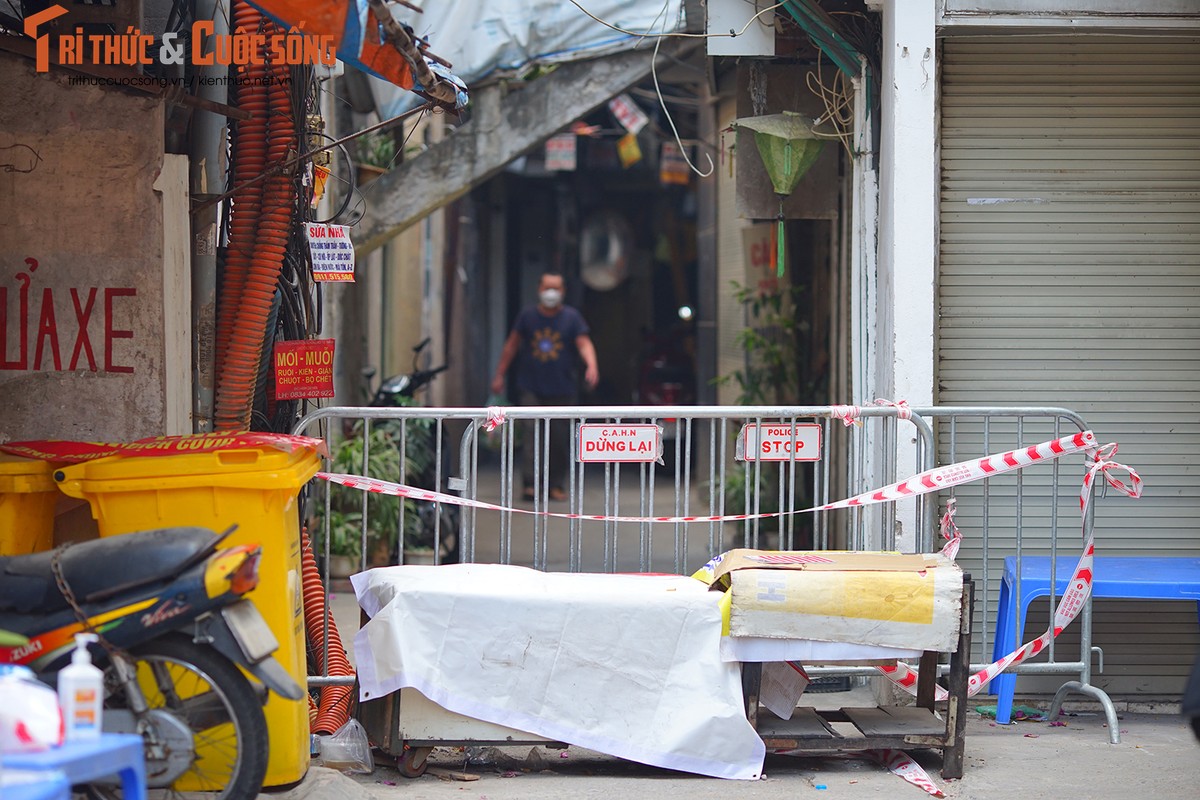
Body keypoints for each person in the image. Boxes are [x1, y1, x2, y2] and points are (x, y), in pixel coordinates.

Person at [490, 272, 599, 501]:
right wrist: (500, 374)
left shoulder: (572, 318)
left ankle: (555, 485)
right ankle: (530, 484)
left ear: (563, 292)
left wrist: (592, 365)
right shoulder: (527, 316)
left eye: (556, 288)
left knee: (559, 439)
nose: (552, 292)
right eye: (548, 287)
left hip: (562, 389)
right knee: (531, 435)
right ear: (539, 289)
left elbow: (584, 343)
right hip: (531, 387)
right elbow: (512, 345)